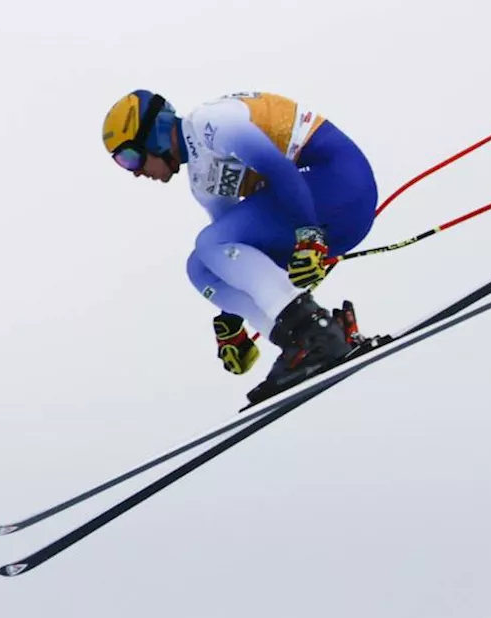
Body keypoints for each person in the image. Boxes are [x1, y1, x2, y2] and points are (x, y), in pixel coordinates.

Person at [101, 89, 379, 403]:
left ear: (155, 136)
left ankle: (317, 334)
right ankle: (303, 341)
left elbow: (278, 168)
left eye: (130, 158)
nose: (135, 172)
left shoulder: (210, 123)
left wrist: (309, 236)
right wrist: (231, 320)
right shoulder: (202, 183)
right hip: (320, 214)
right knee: (201, 267)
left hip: (338, 184)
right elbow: (240, 257)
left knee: (208, 242)